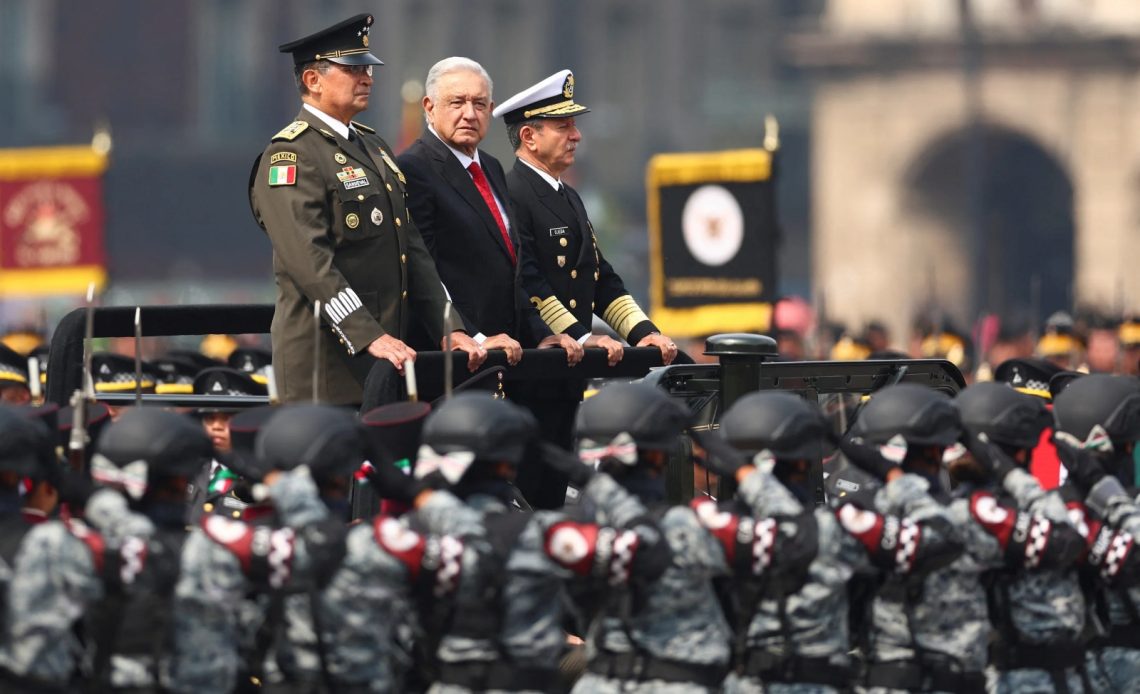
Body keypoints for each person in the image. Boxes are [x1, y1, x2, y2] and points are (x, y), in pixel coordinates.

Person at [248, 13, 484, 405]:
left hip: (386, 362)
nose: (367, 78)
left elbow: (413, 251)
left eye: (368, 69)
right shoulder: (291, 155)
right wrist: (367, 334)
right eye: (353, 69)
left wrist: (449, 326)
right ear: (313, 80)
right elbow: (311, 265)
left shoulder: (373, 147)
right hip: (325, 372)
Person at [494, 70, 678, 506]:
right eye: (564, 126)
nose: (576, 136)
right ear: (529, 136)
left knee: (556, 491)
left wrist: (642, 332)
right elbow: (529, 278)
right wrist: (579, 336)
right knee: (533, 488)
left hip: (567, 373)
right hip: (533, 369)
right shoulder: (511, 192)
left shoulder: (569, 196)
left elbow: (600, 278)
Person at [396, 57, 582, 368]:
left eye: (480, 104)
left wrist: (541, 333)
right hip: (454, 358)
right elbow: (422, 273)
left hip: (506, 353)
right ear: (429, 107)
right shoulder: (414, 168)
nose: (469, 114)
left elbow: (513, 271)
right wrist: (474, 336)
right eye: (457, 102)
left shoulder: (492, 168)